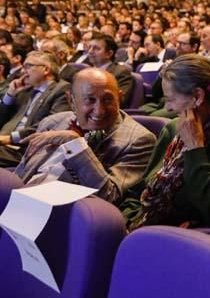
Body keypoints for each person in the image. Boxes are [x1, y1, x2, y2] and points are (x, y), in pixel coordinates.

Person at [120, 54, 210, 230]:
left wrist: (195, 147)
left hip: (179, 239)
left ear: (197, 96)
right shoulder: (173, 128)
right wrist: (126, 220)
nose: (167, 108)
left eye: (170, 99)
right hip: (143, 226)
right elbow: (139, 191)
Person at [15, 68, 155, 204]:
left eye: (107, 100)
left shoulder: (138, 140)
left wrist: (75, 144)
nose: (99, 111)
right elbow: (22, 173)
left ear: (119, 98)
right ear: (71, 101)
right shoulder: (52, 122)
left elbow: (109, 196)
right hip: (23, 199)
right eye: (90, 100)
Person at [0, 50, 70, 167]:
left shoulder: (61, 90)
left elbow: (51, 127)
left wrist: (11, 138)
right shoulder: (25, 89)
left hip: (25, 148)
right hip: (4, 142)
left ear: (46, 70)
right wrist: (10, 95)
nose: (23, 71)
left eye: (28, 66)